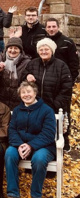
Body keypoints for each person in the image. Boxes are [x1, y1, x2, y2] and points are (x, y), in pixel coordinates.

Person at [5, 81, 57, 198]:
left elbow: (48, 134)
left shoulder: (47, 110)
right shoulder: (17, 110)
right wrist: (19, 145)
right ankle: (13, 193)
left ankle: (36, 194)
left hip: (43, 146)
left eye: (29, 91)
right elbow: (12, 130)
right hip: (20, 145)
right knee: (9, 153)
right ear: (20, 95)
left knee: (39, 159)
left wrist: (30, 145)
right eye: (23, 92)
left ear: (35, 93)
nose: (26, 95)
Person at [22, 38, 72, 152]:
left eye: (46, 49)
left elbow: (67, 87)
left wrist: (55, 104)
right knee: (36, 132)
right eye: (41, 49)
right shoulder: (32, 63)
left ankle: (52, 159)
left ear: (52, 50)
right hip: (35, 106)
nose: (43, 51)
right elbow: (22, 79)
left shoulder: (61, 66)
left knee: (52, 134)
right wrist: (27, 76)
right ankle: (34, 156)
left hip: (54, 107)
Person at [45, 18, 79, 151]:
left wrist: (68, 83)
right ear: (46, 28)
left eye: (53, 26)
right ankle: (49, 139)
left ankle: (65, 142)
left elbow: (74, 65)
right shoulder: (44, 42)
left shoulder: (67, 42)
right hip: (47, 84)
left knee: (64, 113)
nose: (51, 29)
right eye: (49, 27)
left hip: (63, 85)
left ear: (58, 27)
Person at [0, 37, 31, 110]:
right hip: (0, 100)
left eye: (16, 48)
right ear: (6, 48)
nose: (12, 50)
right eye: (10, 48)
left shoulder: (26, 62)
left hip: (18, 101)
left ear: (20, 50)